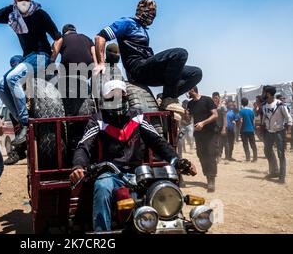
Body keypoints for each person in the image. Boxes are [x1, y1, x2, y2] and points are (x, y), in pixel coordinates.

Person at [70, 80, 196, 232]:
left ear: (126, 97)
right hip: (111, 172)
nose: (117, 101)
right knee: (101, 187)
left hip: (138, 173)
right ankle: (102, 233)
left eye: (120, 96)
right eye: (112, 97)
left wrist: (177, 160)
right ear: (104, 100)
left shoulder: (137, 116)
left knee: (164, 190)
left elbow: (157, 141)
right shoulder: (98, 119)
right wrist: (78, 165)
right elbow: (84, 145)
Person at [0, 0, 63, 147]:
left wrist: (51, 61)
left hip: (41, 56)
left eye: (27, 0)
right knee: (0, 86)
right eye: (20, 0)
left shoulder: (40, 14)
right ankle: (22, 120)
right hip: (27, 57)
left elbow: (59, 38)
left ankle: (24, 123)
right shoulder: (10, 13)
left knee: (12, 79)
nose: (24, 4)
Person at [94, 0, 202, 114]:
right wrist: (100, 63)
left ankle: (164, 96)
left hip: (148, 68)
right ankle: (169, 99)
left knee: (196, 73)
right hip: (138, 68)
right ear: (142, 10)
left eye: (154, 14)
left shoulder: (143, 29)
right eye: (150, 13)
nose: (152, 16)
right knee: (180, 53)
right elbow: (100, 36)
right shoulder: (127, 22)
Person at [186, 86, 218, 192]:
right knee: (201, 155)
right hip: (198, 134)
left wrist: (203, 123)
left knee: (210, 154)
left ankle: (211, 179)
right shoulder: (190, 104)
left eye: (188, 90)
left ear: (192, 90)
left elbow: (215, 115)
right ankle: (207, 175)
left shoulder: (207, 100)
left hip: (210, 133)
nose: (187, 93)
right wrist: (185, 115)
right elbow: (188, 119)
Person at [261, 86, 292, 184]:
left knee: (281, 154)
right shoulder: (264, 106)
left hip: (280, 132)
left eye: (264, 93)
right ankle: (274, 171)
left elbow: (289, 119)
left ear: (269, 94)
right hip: (269, 132)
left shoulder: (280, 105)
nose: (263, 94)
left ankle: (281, 177)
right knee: (267, 150)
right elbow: (265, 118)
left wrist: (289, 133)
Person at [239, 97, 258, 162]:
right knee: (253, 144)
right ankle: (255, 158)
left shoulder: (241, 111)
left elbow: (241, 121)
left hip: (244, 130)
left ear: (241, 103)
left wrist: (240, 129)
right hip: (251, 129)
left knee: (245, 144)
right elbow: (253, 121)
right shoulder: (251, 111)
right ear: (247, 103)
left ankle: (248, 158)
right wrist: (253, 128)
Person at [212, 92, 227, 162]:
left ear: (219, 98)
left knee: (221, 143)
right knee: (215, 143)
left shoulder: (222, 107)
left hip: (221, 127)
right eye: (214, 98)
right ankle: (217, 156)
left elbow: (224, 118)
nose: (215, 99)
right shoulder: (212, 106)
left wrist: (224, 128)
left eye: (216, 98)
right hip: (214, 127)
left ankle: (220, 156)